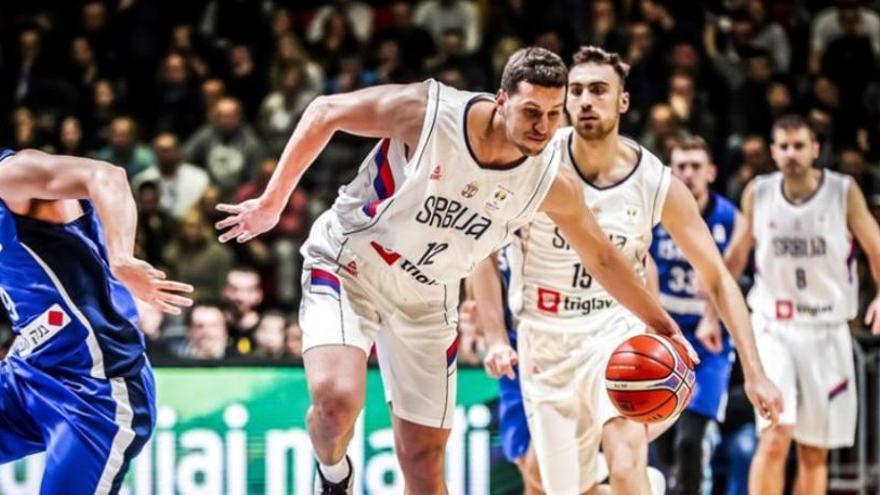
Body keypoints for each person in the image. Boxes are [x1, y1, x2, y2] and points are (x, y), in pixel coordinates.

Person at [215, 47, 685, 495]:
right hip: (350, 265)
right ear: (502, 101)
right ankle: (334, 474)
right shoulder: (429, 112)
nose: (543, 127)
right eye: (530, 113)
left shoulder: (550, 181)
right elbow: (325, 110)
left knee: (423, 466)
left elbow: (603, 257)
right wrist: (273, 203)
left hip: (428, 298)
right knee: (336, 403)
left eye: (552, 114)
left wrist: (662, 325)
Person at [473, 46, 781, 495]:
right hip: (546, 337)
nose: (584, 101)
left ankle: (638, 479)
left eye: (598, 90)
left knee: (624, 456)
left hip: (617, 332)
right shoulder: (533, 161)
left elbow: (717, 276)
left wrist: (755, 371)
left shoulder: (654, 181)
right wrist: (496, 336)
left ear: (623, 101)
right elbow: (481, 251)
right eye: (575, 91)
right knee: (552, 484)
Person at [0, 148, 193, 494]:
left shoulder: (11, 175)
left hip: (96, 390)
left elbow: (106, 176)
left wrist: (121, 257)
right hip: (27, 374)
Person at [724, 114, 880, 495]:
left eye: (799, 146)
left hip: (826, 330)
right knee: (775, 435)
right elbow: (733, 260)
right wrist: (714, 313)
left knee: (813, 453)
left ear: (815, 149)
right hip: (773, 326)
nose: (791, 154)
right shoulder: (757, 192)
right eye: (784, 146)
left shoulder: (843, 192)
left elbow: (876, 248)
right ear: (773, 152)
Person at [649, 136, 740, 494]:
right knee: (664, 440)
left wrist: (712, 315)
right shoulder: (654, 212)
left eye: (696, 166)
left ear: (712, 172)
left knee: (691, 439)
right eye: (681, 166)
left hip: (709, 340)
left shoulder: (732, 218)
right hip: (665, 332)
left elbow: (730, 277)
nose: (688, 174)